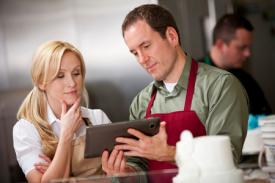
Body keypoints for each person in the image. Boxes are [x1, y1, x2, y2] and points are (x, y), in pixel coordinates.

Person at [115, 4, 249, 174]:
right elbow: (140, 167)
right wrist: (125, 172)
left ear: (171, 36)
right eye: (134, 53)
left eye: (146, 46)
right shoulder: (141, 102)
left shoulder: (220, 86)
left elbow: (227, 158)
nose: (142, 59)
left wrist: (170, 154)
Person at [13, 41, 139, 183]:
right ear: (41, 82)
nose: (72, 83)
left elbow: (123, 177)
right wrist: (66, 133)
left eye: (76, 73)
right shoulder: (25, 130)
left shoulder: (97, 118)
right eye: (60, 76)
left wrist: (58, 174)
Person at [199, 14, 272, 116]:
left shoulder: (247, 81)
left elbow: (266, 116)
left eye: (249, 47)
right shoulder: (195, 78)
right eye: (242, 47)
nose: (248, 53)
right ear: (220, 45)